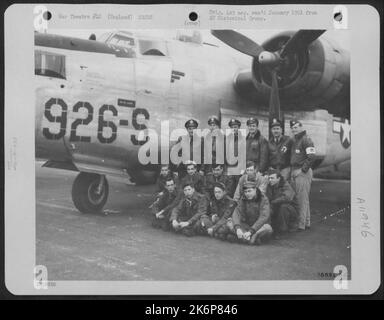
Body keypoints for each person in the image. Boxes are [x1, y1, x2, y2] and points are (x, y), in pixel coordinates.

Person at [289, 119, 316, 231]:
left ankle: (301, 225)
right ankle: (307, 222)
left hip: (302, 172)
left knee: (301, 199)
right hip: (296, 170)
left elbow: (312, 156)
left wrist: (303, 170)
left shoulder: (306, 139)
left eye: (296, 127)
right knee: (304, 199)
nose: (294, 129)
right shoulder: (296, 140)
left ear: (300, 127)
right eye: (292, 128)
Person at [265, 168, 298, 234]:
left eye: (272, 178)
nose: (270, 180)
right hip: (276, 206)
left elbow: (287, 198)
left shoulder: (285, 185)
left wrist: (273, 202)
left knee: (283, 207)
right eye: (269, 178)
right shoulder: (269, 186)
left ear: (278, 178)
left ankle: (282, 230)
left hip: (291, 209)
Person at [226, 118, 243, 195]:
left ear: (238, 127)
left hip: (239, 167)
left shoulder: (243, 138)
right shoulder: (228, 138)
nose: (234, 129)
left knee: (238, 187)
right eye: (232, 127)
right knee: (230, 187)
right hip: (230, 166)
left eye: (235, 127)